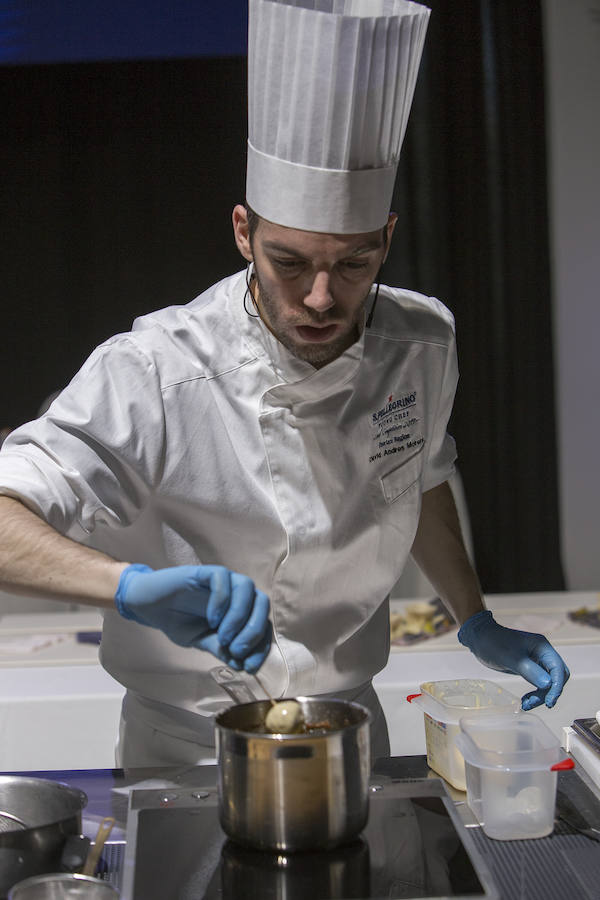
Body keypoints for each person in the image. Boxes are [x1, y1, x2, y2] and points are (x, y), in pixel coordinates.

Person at [0, 0, 568, 767]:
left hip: (349, 729)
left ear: (388, 238)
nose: (322, 299)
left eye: (356, 263)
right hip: (189, 745)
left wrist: (473, 617)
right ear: (244, 232)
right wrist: (128, 586)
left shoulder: (423, 343)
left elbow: (420, 475)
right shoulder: (156, 371)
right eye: (290, 263)